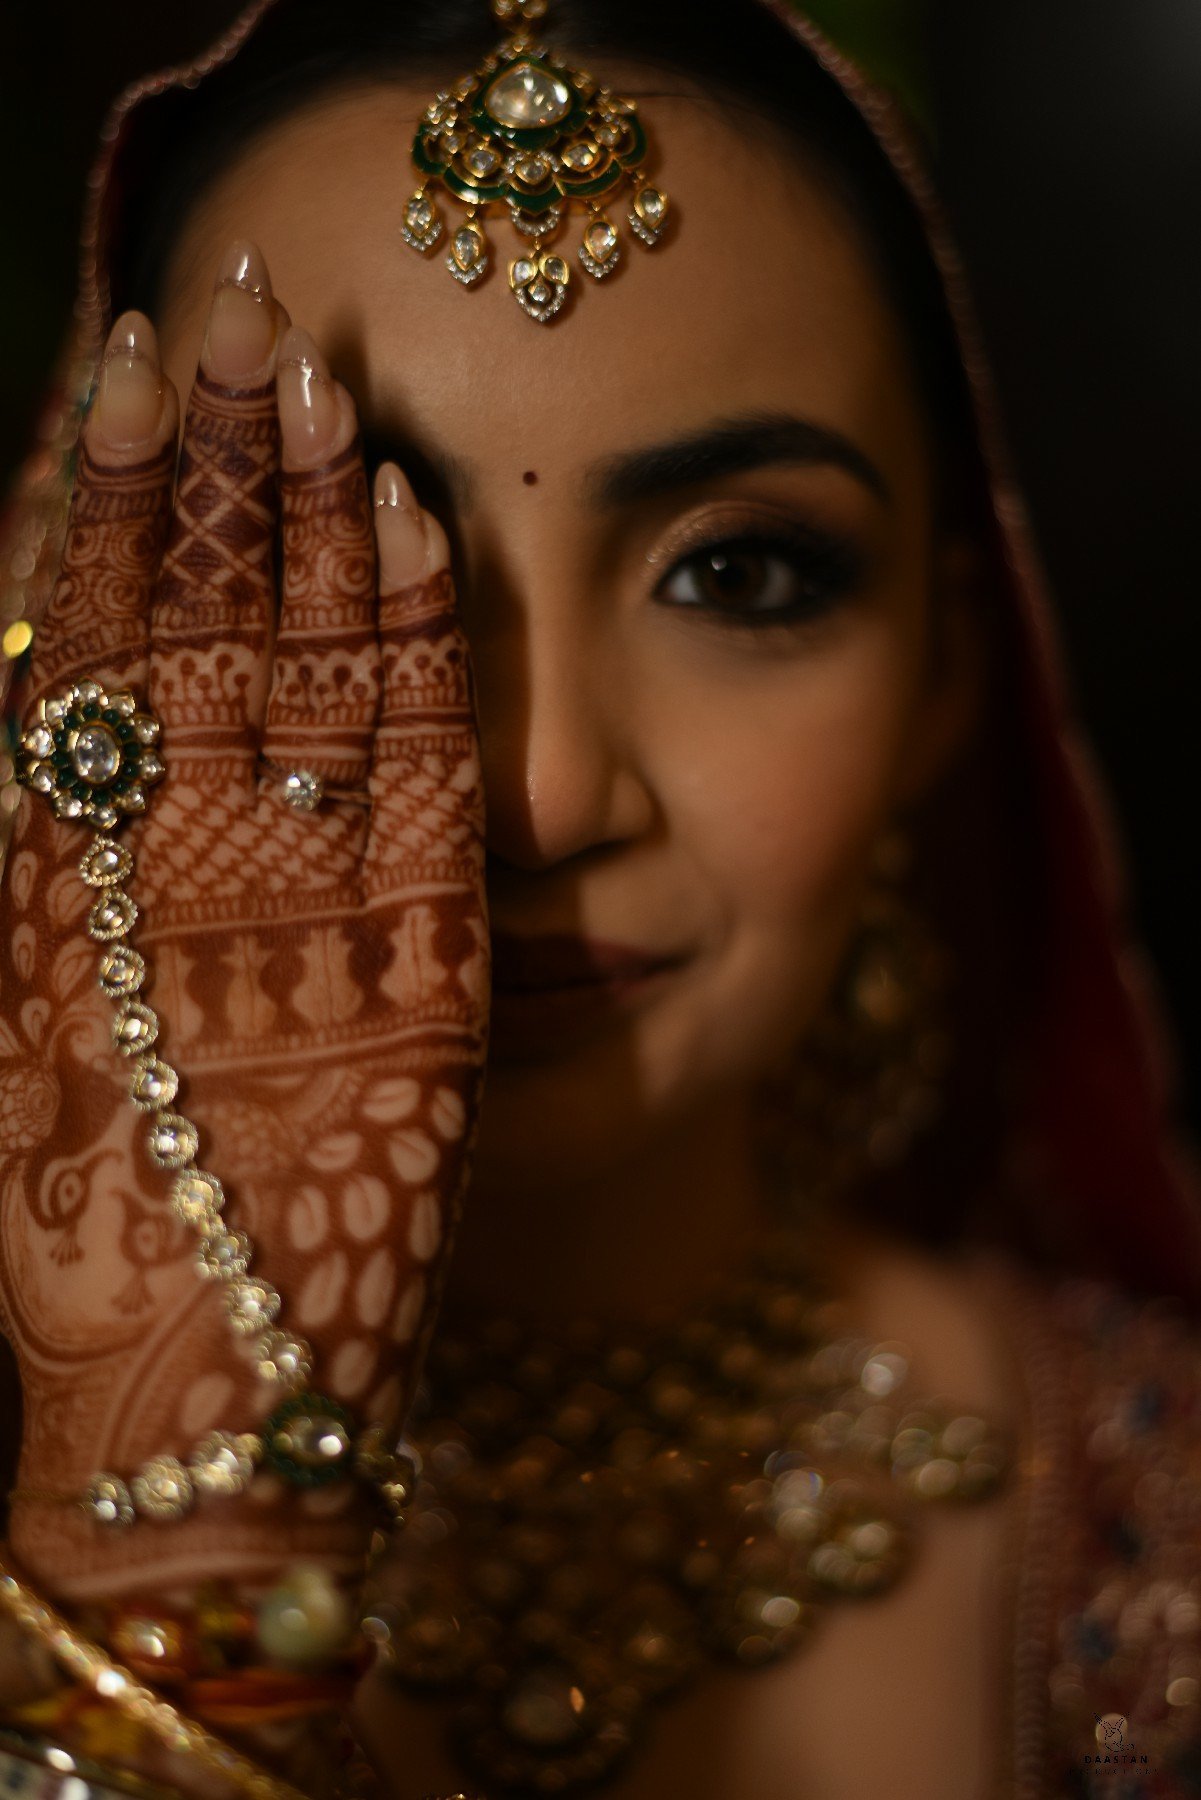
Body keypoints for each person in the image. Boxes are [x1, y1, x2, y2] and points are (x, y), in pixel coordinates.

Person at [0, 0, 1199, 1795]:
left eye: (738, 572)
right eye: (342, 567)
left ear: (947, 670)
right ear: (81, 642)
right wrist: (166, 1515)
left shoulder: (1162, 1519)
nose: (544, 795)